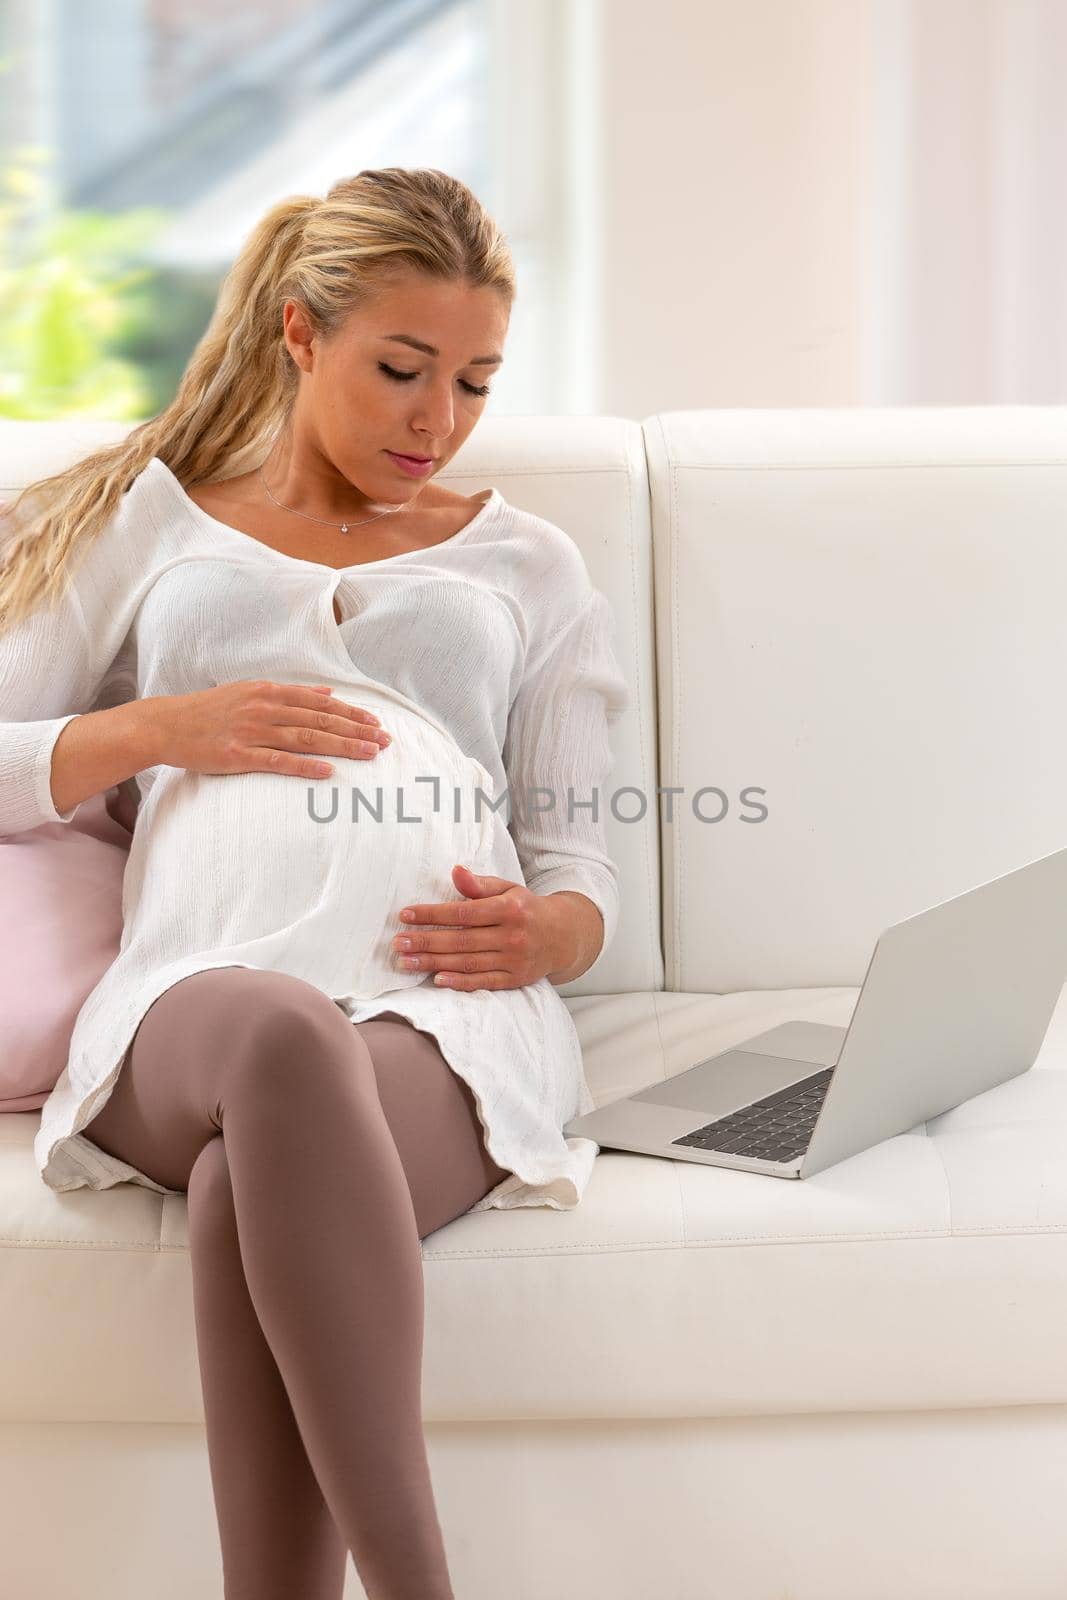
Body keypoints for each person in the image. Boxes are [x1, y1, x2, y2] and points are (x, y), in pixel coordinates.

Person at [0, 167, 629, 1599]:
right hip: (194, 1003)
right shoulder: (148, 523)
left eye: (474, 381)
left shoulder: (531, 562)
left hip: (441, 1023)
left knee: (250, 1192)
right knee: (280, 1035)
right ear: (299, 334)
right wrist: (162, 730)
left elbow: (585, 867)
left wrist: (544, 932)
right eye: (401, 370)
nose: (438, 421)